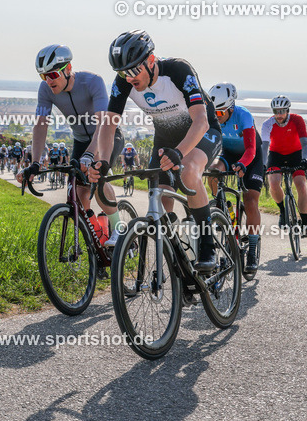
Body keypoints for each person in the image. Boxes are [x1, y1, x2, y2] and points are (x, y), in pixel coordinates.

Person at [85, 30, 222, 271]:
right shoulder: (124, 82)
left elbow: (201, 121)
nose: (128, 78)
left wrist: (180, 153)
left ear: (150, 61)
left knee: (189, 171)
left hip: (202, 133)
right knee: (158, 198)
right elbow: (108, 125)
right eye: (122, 72)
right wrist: (103, 162)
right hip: (165, 139)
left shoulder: (179, 70)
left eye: (133, 70)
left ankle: (207, 243)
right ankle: (177, 260)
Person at [19, 44, 125, 243]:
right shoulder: (45, 90)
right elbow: (41, 126)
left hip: (107, 135)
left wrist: (91, 155)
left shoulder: (93, 81)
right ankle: (99, 241)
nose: (48, 81)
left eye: (52, 75)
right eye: (43, 76)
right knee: (78, 192)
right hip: (80, 140)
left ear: (68, 69)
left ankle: (120, 230)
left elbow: (104, 124)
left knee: (96, 175)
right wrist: (35, 162)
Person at [208, 83, 263, 272]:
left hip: (251, 157)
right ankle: (222, 207)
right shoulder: (212, 115)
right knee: (213, 171)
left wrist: (243, 164)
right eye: (214, 112)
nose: (217, 117)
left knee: (250, 200)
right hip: (229, 153)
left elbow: (251, 149)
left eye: (221, 113)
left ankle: (253, 251)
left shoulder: (244, 116)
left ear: (231, 108)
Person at [261, 96, 307, 236]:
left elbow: (305, 144)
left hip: (296, 154)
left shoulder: (297, 120)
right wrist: (264, 164)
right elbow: (264, 148)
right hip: (276, 155)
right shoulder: (267, 124)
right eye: (276, 111)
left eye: (282, 111)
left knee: (301, 184)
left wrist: (304, 159)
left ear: (288, 110)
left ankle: (305, 224)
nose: (279, 115)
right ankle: (283, 211)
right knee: (274, 183)